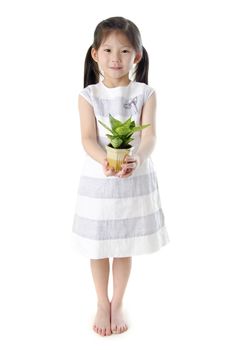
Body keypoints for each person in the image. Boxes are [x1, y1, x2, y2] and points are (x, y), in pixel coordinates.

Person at [72, 16, 170, 336]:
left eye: (125, 51)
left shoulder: (145, 92)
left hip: (133, 177)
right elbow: (88, 138)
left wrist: (136, 158)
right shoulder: (88, 95)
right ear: (95, 54)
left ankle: (119, 300)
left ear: (137, 56)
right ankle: (102, 301)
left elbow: (151, 135)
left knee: (123, 243)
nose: (117, 58)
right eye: (109, 49)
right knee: (99, 245)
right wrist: (105, 160)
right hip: (99, 182)